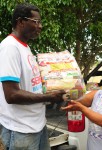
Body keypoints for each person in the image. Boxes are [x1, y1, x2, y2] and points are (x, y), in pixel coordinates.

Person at [0, 3, 66, 150]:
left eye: (40, 22)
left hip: (37, 125)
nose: (40, 26)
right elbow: (11, 95)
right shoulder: (10, 47)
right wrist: (49, 97)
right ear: (21, 22)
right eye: (36, 22)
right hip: (20, 130)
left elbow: (31, 85)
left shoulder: (25, 47)